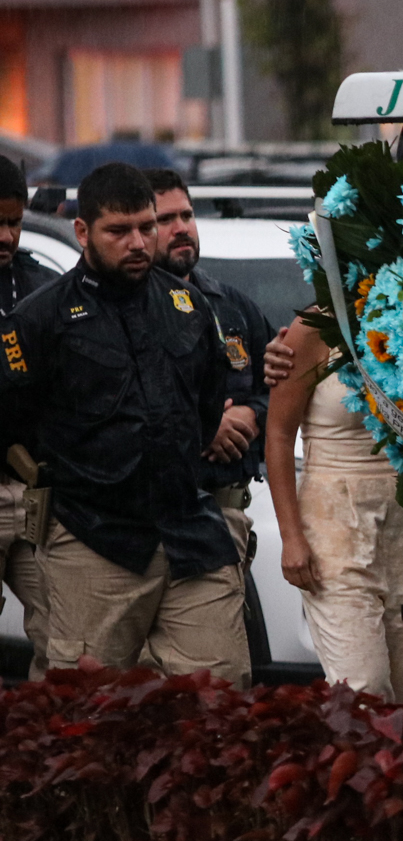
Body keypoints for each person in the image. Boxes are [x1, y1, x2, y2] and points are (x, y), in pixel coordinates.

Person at [0, 163, 248, 683]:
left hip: (190, 535)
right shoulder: (41, 316)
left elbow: (208, 405)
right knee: (85, 713)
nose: (138, 242)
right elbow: (16, 419)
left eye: (146, 226)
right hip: (95, 540)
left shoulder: (188, 305)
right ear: (83, 232)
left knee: (219, 704)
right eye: (119, 230)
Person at [264, 313, 403, 699]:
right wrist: (291, 537)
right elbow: (278, 434)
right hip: (332, 520)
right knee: (363, 690)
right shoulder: (313, 327)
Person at [146, 169, 273, 565]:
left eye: (186, 215)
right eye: (164, 220)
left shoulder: (231, 304)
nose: (181, 228)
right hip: (146, 525)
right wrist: (206, 426)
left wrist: (253, 414)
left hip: (225, 518)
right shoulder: (125, 309)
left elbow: (280, 382)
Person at [0, 158, 60, 677]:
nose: (6, 236)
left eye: (15, 223)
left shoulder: (41, 286)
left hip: (36, 495)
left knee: (61, 634)